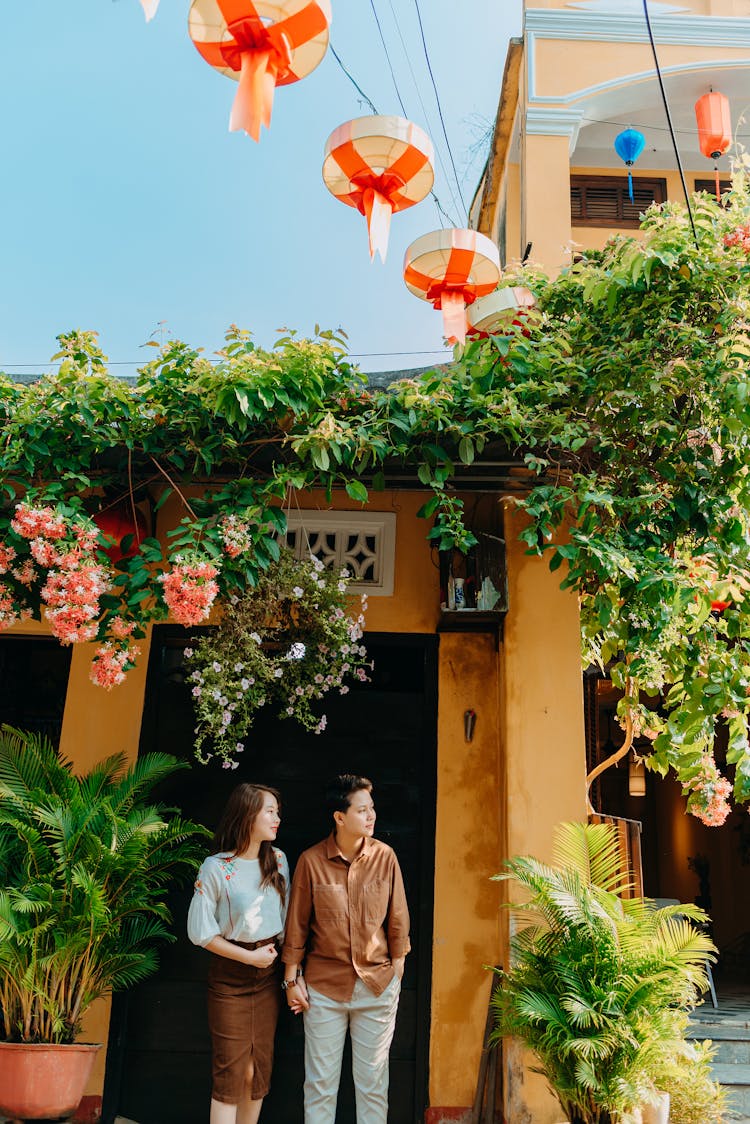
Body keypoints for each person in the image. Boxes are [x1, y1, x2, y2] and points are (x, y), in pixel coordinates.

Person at [281, 774, 410, 1124]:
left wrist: (396, 967)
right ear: (340, 817)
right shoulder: (311, 861)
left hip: (377, 986)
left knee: (372, 1084)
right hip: (324, 990)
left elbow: (398, 918)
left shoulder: (386, 858)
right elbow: (297, 924)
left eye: (372, 809)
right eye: (362, 810)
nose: (371, 816)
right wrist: (291, 979)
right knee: (321, 1085)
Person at [187, 783, 289, 1124]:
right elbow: (201, 933)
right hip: (230, 978)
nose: (277, 818)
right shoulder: (216, 867)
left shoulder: (278, 860)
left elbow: (286, 919)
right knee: (230, 1071)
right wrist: (248, 958)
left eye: (277, 811)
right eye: (270, 811)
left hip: (268, 978)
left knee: (256, 1070)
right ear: (248, 815)